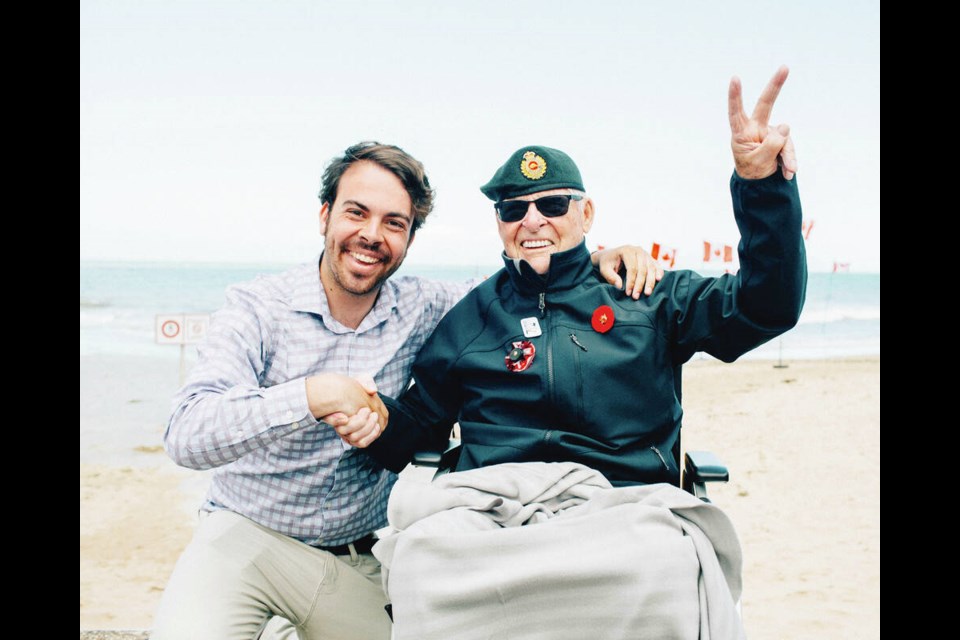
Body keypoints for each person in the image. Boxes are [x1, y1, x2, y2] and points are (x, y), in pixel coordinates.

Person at [331, 67, 806, 638]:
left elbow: (767, 306)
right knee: (422, 562)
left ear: (586, 214)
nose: (532, 220)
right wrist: (375, 417)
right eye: (513, 208)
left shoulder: (645, 293)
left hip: (622, 506)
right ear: (500, 225)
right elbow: (421, 428)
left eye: (552, 203)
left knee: (665, 562)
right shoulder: (472, 318)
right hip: (496, 512)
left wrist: (761, 187)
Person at [151, 140, 662, 640]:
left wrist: (592, 260)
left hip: (358, 561)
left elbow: (526, 290)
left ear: (410, 238)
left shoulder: (430, 309)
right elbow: (188, 431)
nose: (371, 235)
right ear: (324, 215)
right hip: (245, 540)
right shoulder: (258, 306)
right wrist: (313, 395)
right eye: (356, 213)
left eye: (394, 223)